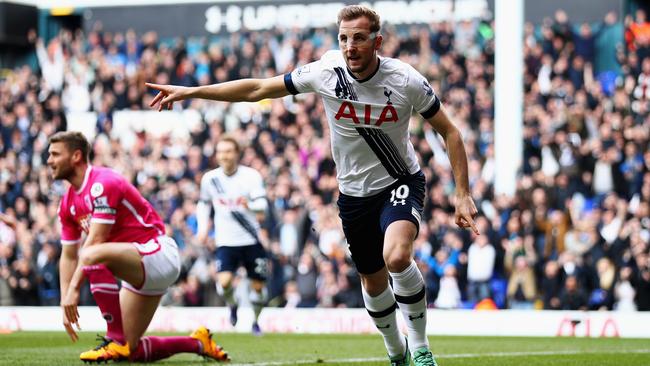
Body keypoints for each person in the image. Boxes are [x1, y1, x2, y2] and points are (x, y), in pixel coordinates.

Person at [147, 5, 478, 365]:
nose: (350, 46)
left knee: (397, 256)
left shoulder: (405, 80)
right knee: (372, 282)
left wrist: (463, 194)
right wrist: (191, 92)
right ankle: (396, 350)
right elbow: (259, 88)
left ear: (377, 41)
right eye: (344, 38)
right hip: (353, 194)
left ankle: (420, 347)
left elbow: (451, 131)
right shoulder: (326, 71)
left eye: (359, 38)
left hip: (400, 180)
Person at [48, 131, 229, 363]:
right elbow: (68, 255)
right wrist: (66, 299)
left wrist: (74, 289)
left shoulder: (102, 183)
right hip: (136, 267)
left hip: (158, 253)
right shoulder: (67, 204)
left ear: (76, 156)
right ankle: (198, 342)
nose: (49, 160)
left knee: (92, 253)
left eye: (55, 154)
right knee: (130, 352)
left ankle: (115, 340)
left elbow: (95, 243)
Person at [196, 136, 269, 335]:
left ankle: (255, 321)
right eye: (220, 151)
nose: (224, 156)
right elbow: (203, 204)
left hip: (251, 239)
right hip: (225, 241)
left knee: (257, 287)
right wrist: (202, 229)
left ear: (237, 153)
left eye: (228, 151)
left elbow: (263, 206)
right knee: (225, 282)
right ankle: (233, 305)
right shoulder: (210, 179)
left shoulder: (251, 176)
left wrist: (250, 206)